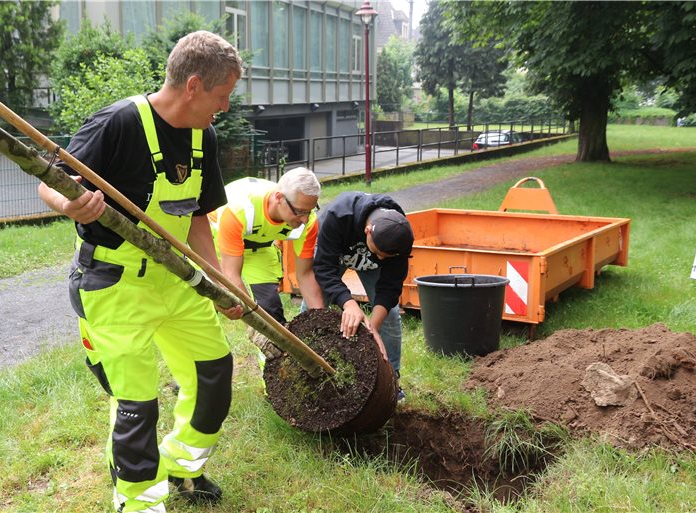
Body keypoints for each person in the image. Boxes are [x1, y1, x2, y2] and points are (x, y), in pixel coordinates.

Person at [37, 31, 244, 513]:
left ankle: (182, 466)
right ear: (193, 85)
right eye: (222, 96)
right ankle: (138, 503)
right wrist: (72, 203)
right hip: (114, 284)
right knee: (136, 404)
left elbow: (196, 218)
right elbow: (47, 180)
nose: (225, 107)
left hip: (178, 281)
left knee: (214, 374)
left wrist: (218, 283)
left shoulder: (203, 136)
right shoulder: (118, 122)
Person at [311, 192, 414, 401]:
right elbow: (324, 269)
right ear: (367, 230)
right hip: (335, 256)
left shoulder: (400, 235)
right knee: (312, 312)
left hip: (370, 268)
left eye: (386, 257)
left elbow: (390, 286)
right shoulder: (337, 217)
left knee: (391, 318)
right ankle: (309, 374)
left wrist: (373, 328)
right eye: (378, 252)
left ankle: (391, 379)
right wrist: (348, 304)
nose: (380, 258)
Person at [210, 167, 324, 330]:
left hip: (259, 246)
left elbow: (305, 275)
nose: (305, 219)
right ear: (279, 198)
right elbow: (231, 275)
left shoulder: (308, 221)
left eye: (309, 210)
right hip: (217, 245)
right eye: (299, 212)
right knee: (212, 304)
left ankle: (275, 354)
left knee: (270, 310)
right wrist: (256, 326)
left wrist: (321, 323)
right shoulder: (239, 209)